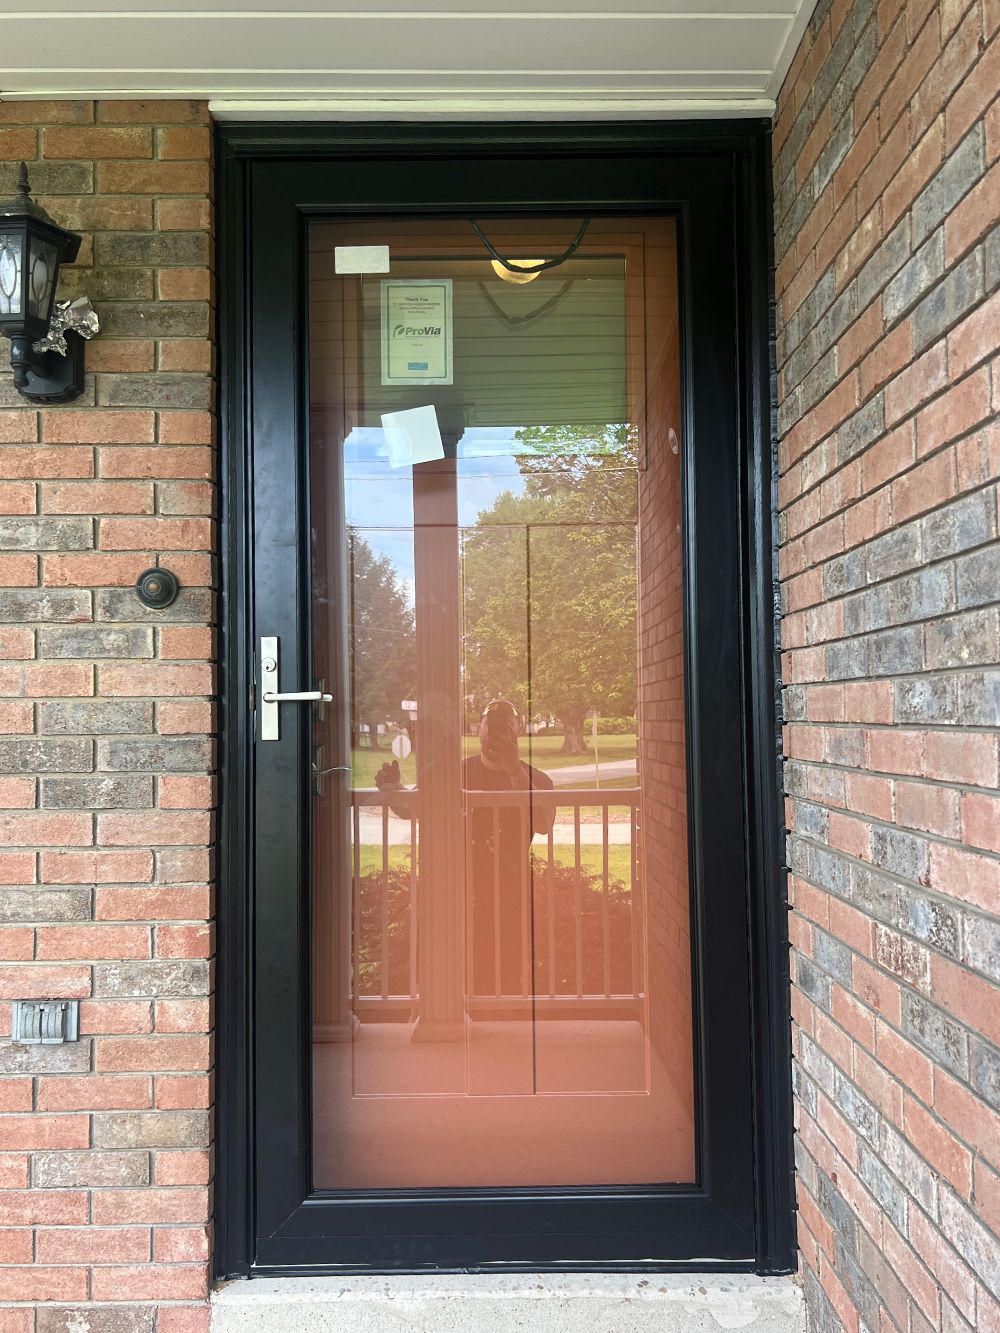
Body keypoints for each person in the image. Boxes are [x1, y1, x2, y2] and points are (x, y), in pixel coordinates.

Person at [375, 699, 554, 998]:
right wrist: (393, 789)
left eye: (505, 725)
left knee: (506, 971)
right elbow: (411, 808)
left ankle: (502, 1032)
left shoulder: (538, 780)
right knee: (453, 967)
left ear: (519, 732)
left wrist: (512, 768)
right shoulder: (452, 773)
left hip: (509, 889)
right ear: (478, 730)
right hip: (456, 888)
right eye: (491, 724)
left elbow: (543, 823)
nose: (497, 731)